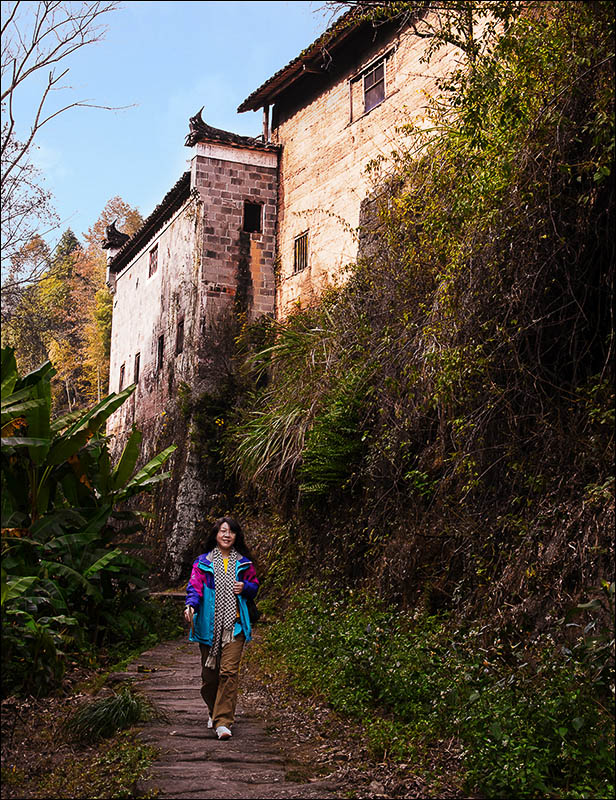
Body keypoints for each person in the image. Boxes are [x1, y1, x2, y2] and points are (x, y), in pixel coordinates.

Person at [184, 517, 259, 740]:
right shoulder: (203, 563)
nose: (227, 535)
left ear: (237, 536)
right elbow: (195, 588)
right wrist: (191, 606)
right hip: (209, 626)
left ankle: (223, 722)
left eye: (231, 532)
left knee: (228, 673)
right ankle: (213, 710)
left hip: (235, 626)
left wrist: (245, 587)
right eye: (223, 531)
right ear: (216, 534)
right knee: (210, 678)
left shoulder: (244, 563)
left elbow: (254, 587)